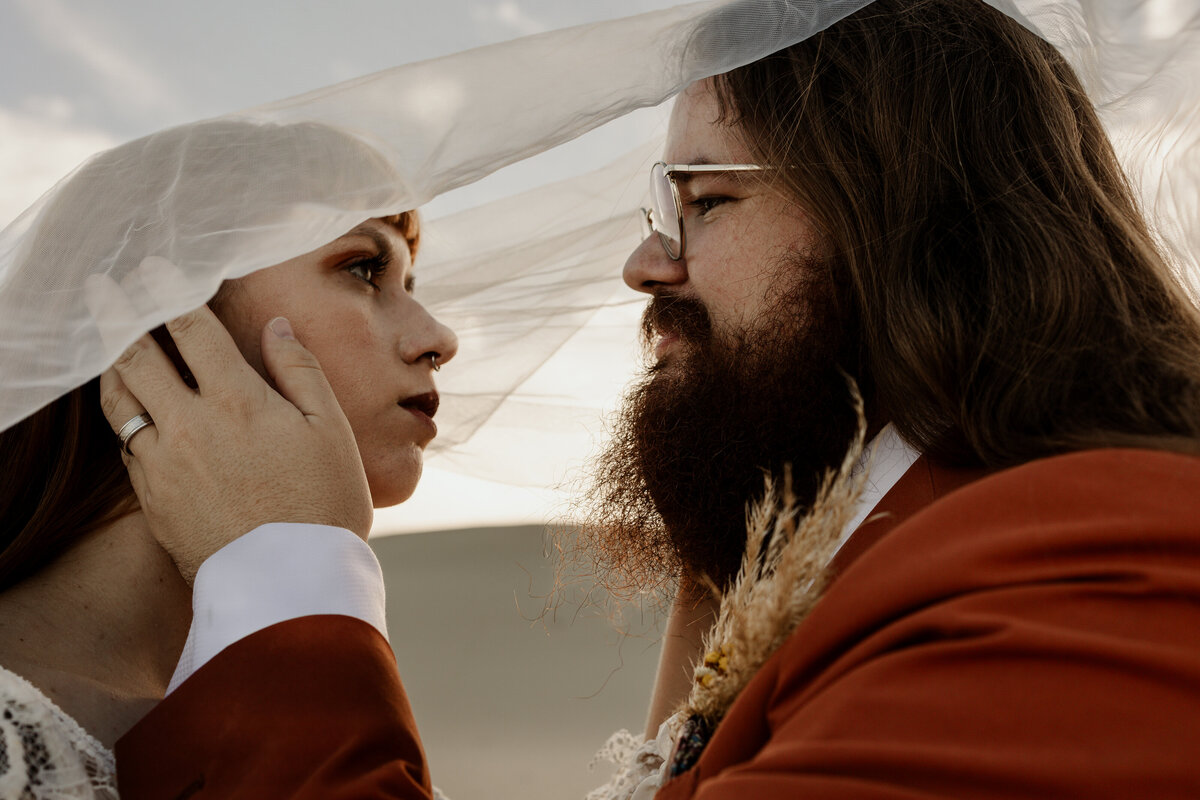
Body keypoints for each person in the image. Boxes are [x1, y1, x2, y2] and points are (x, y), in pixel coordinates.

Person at [63, 0, 1200, 798]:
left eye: (702, 201)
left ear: (903, 220)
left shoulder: (1103, 558)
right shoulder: (863, 562)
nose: (645, 267)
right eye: (364, 270)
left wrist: (283, 576)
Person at [0, 121, 457, 799]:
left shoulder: (350, 727)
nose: (438, 338)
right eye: (364, 269)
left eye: (410, 282)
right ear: (159, 311)